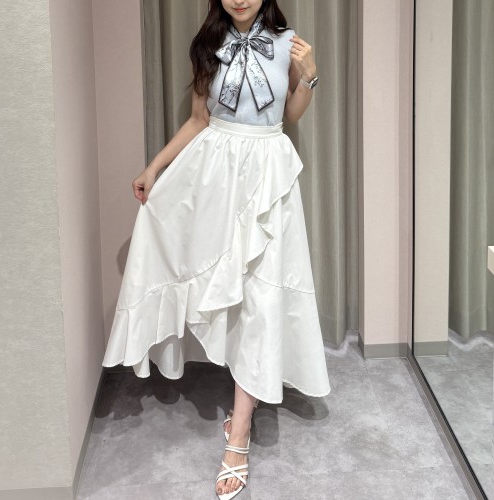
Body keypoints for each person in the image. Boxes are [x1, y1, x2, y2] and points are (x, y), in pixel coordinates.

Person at [102, 0, 331, 498]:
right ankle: (239, 400)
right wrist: (154, 168)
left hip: (267, 175)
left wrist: (309, 75)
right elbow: (198, 120)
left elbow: (289, 115)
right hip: (215, 174)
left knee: (261, 297)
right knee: (219, 283)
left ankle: (239, 431)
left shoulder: (287, 43)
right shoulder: (208, 43)